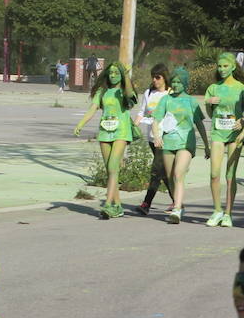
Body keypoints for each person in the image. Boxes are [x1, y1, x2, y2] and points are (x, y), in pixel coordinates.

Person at [72, 60, 137, 219]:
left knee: (114, 166)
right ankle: (118, 206)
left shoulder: (123, 91)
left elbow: (130, 96)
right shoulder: (102, 92)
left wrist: (126, 76)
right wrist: (80, 124)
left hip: (121, 132)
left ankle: (108, 204)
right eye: (112, 73)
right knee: (110, 170)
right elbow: (92, 109)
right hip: (105, 133)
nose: (114, 76)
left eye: (117, 73)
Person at [151, 67, 212, 225]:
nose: (176, 84)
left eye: (179, 82)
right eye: (174, 81)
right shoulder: (166, 100)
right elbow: (156, 120)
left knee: (179, 173)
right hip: (168, 142)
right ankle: (180, 204)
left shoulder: (191, 101)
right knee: (171, 176)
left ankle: (176, 210)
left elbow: (199, 124)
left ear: (185, 83)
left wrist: (206, 145)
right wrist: (157, 136)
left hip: (186, 142)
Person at [204, 53, 244, 228]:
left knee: (230, 176)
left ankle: (228, 213)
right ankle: (217, 210)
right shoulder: (212, 88)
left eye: (225, 66)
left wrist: (242, 123)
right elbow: (210, 114)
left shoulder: (242, 89)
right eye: (219, 66)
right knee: (214, 174)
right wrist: (209, 103)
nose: (222, 69)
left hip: (234, 136)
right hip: (218, 132)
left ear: (233, 66)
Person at [132, 63, 171, 216]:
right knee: (164, 171)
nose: (155, 80)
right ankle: (177, 201)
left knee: (156, 171)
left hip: (165, 138)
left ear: (164, 77)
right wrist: (133, 128)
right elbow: (141, 112)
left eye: (158, 77)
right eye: (153, 77)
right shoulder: (149, 93)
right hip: (151, 137)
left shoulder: (170, 93)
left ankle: (146, 203)